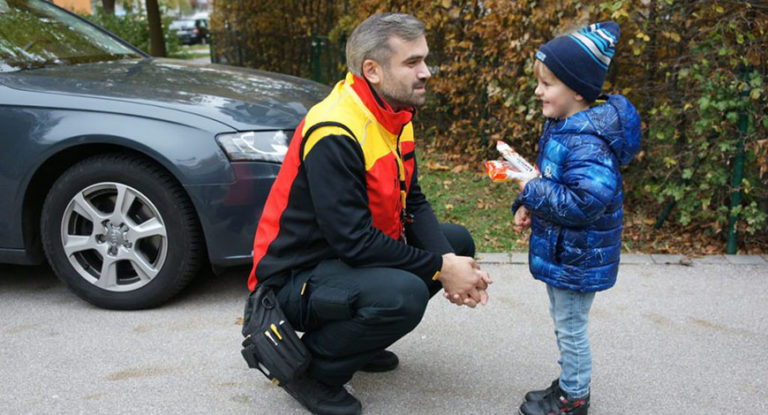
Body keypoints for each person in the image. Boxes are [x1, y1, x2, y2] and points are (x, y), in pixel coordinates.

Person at [245, 13, 492, 415]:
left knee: (457, 242)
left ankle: (357, 342)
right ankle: (311, 371)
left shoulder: (394, 115)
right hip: (291, 278)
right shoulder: (335, 130)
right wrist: (440, 269)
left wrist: (448, 261)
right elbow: (354, 241)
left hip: (341, 258)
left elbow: (413, 202)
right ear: (372, 70)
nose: (426, 72)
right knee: (404, 294)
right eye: (412, 63)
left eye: (424, 60)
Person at [509, 22, 641, 415]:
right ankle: (570, 381)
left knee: (570, 327)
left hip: (578, 257)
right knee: (565, 322)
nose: (538, 91)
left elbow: (584, 202)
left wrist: (532, 188)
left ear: (578, 90)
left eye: (547, 83)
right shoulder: (565, 127)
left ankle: (573, 398)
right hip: (566, 252)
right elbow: (553, 182)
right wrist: (527, 203)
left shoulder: (588, 142)